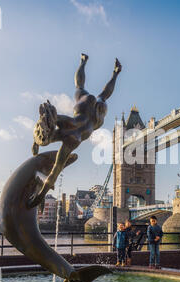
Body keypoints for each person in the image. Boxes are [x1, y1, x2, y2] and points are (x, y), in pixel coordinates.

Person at [29, 54, 122, 208]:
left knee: (85, 89)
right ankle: (86, 62)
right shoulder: (71, 132)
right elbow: (54, 172)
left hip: (89, 111)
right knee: (89, 91)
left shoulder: (70, 134)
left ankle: (84, 61)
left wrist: (36, 143)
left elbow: (54, 171)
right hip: (89, 110)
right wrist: (40, 196)